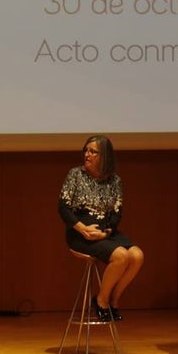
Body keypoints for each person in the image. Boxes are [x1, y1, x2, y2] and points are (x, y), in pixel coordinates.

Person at [58, 134, 145, 322]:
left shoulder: (114, 181)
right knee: (121, 256)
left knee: (137, 256)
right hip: (80, 233)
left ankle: (113, 299)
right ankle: (101, 301)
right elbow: (63, 208)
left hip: (106, 231)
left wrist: (106, 232)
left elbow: (116, 214)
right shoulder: (75, 175)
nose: (87, 155)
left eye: (93, 152)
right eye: (86, 151)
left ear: (104, 156)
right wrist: (83, 230)